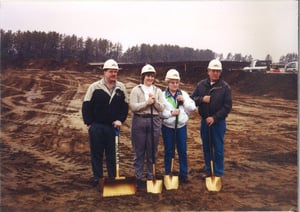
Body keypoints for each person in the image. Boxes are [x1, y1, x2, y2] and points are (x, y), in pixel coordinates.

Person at [81, 59, 129, 187]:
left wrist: (120, 120)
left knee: (112, 154)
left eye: (116, 72)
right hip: (97, 126)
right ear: (104, 72)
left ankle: (112, 178)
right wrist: (89, 123)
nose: (114, 74)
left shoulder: (121, 88)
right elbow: (86, 106)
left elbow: (124, 107)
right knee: (96, 153)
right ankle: (98, 178)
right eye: (111, 71)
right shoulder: (94, 87)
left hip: (113, 127)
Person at [190, 59, 232, 180]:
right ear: (208, 71)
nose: (215, 73)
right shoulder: (201, 85)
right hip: (205, 122)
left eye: (218, 71)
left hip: (218, 123)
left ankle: (217, 172)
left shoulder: (225, 87)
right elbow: (192, 99)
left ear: (220, 72)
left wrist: (214, 118)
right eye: (213, 71)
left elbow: (227, 107)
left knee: (218, 147)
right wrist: (202, 99)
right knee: (207, 147)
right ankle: (209, 170)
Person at [129, 64, 165, 189]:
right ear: (143, 76)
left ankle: (151, 176)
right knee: (139, 151)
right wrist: (146, 103)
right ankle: (138, 177)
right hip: (139, 120)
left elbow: (161, 108)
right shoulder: (136, 90)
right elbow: (133, 107)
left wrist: (154, 102)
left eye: (151, 76)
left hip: (154, 121)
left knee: (152, 151)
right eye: (147, 76)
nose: (149, 78)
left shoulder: (158, 91)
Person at [160, 69, 196, 183]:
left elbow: (192, 108)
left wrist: (184, 101)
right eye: (172, 82)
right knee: (169, 151)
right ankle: (168, 173)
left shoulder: (183, 94)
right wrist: (170, 113)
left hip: (181, 127)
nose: (175, 84)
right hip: (168, 128)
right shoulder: (162, 95)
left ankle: (183, 174)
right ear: (168, 82)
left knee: (182, 150)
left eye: (176, 82)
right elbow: (160, 113)